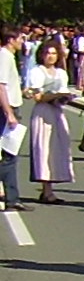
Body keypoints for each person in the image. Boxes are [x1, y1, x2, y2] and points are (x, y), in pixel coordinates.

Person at [24, 38, 78, 202]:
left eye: (54, 53)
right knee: (43, 148)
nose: (51, 56)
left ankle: (51, 187)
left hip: (57, 111)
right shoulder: (37, 71)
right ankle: (46, 190)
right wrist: (56, 95)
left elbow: (62, 92)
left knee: (57, 148)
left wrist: (64, 97)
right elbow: (38, 97)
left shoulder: (61, 73)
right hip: (43, 112)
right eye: (47, 53)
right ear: (42, 55)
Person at [0, 28, 25, 211]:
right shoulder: (4, 56)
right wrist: (9, 112)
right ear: (11, 39)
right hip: (7, 109)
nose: (22, 42)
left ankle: (11, 196)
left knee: (10, 153)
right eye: (20, 38)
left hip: (12, 106)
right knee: (8, 154)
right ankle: (11, 198)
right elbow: (1, 86)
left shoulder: (9, 57)